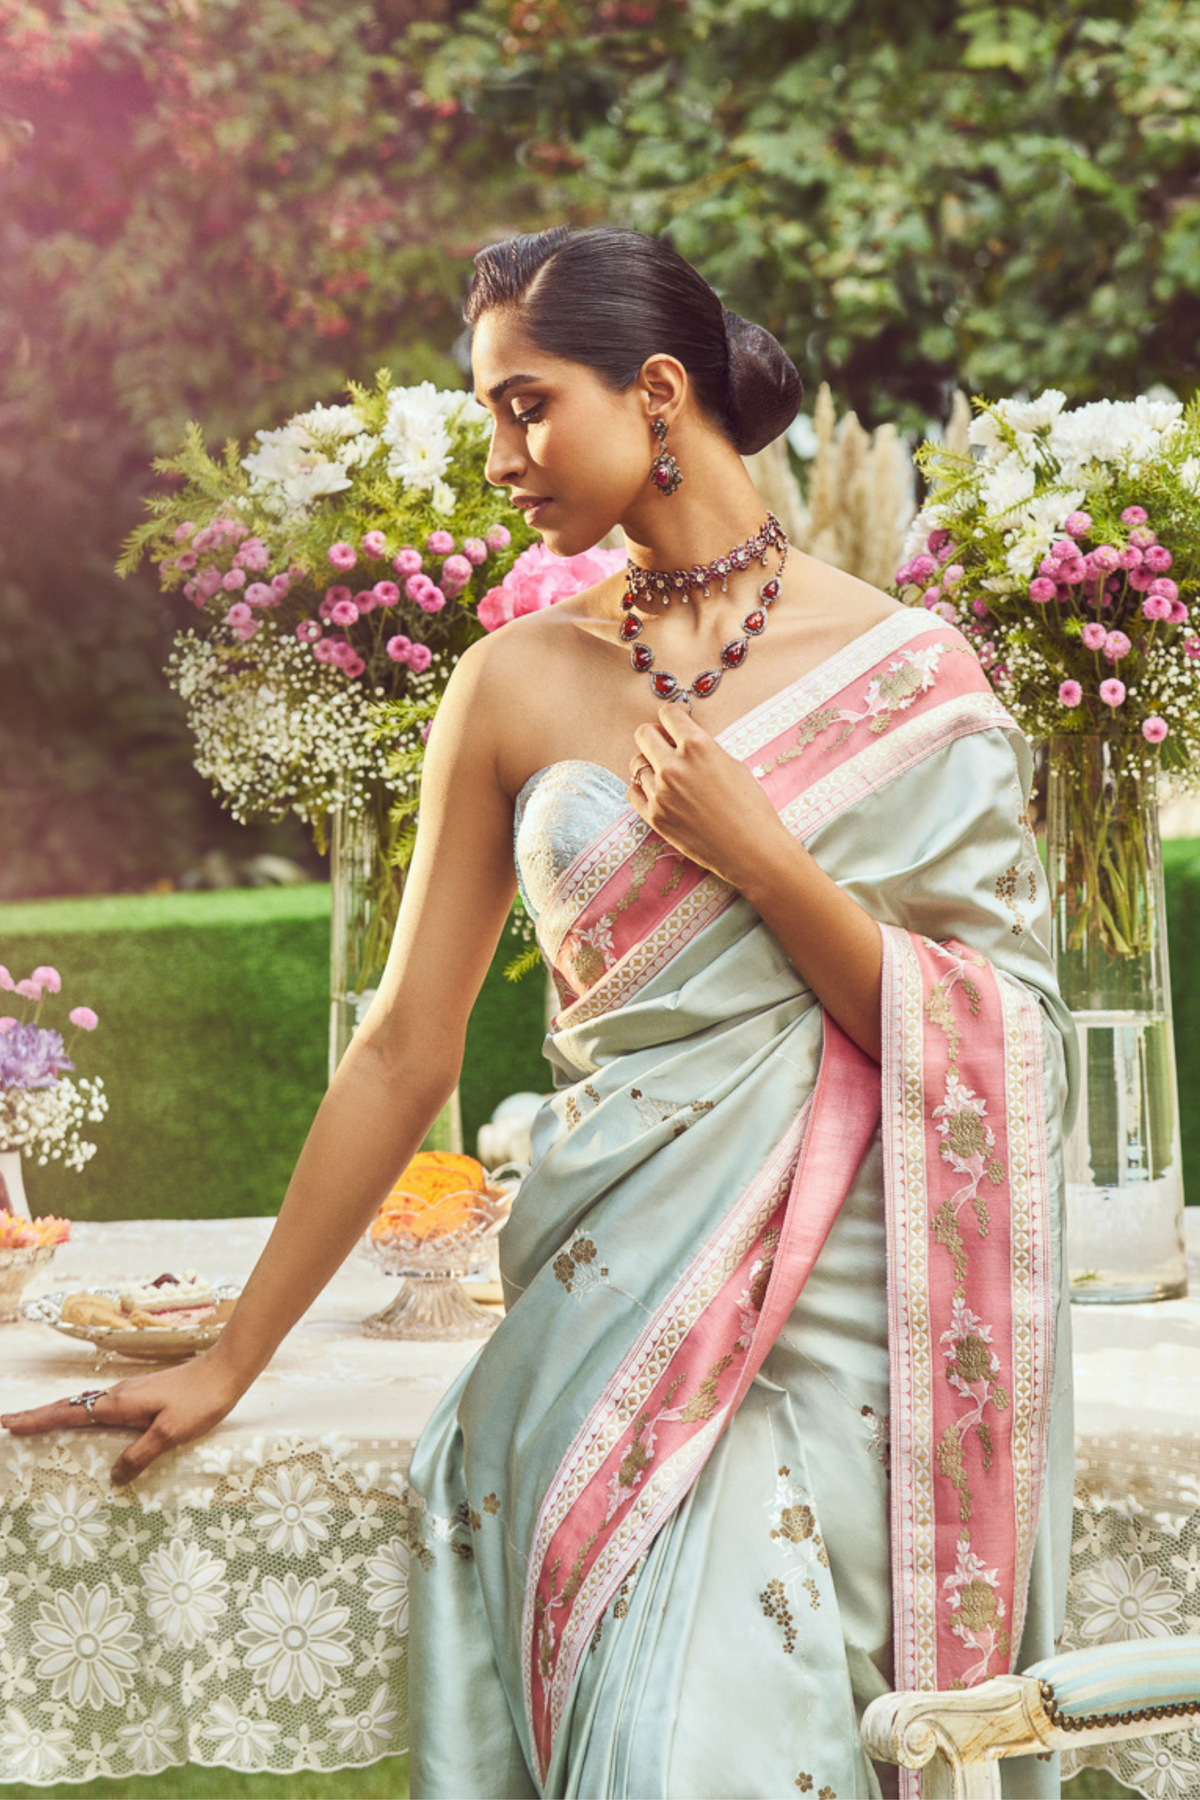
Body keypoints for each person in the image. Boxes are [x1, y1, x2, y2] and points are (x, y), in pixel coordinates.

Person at [3, 226, 1077, 1799]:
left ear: (657, 395)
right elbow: (402, 1045)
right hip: (617, 1298)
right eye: (488, 414)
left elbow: (1012, 1047)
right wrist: (235, 1352)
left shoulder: (912, 673)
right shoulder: (513, 682)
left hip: (864, 1327)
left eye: (526, 405)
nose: (500, 455)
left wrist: (768, 862)